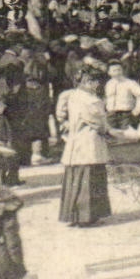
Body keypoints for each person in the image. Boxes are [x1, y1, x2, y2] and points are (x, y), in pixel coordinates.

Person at [56, 61, 112, 228]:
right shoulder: (89, 100)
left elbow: (62, 115)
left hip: (77, 141)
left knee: (76, 177)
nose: (94, 84)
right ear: (82, 82)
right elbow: (97, 121)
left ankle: (74, 214)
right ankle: (86, 216)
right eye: (90, 81)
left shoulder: (72, 96)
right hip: (88, 141)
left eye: (95, 81)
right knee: (89, 177)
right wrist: (108, 130)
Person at [101, 61, 140, 130]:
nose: (117, 72)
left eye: (119, 69)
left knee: (126, 134)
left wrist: (137, 110)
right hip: (111, 114)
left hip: (125, 115)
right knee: (111, 134)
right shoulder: (109, 84)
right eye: (114, 70)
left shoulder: (129, 83)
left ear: (122, 70)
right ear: (109, 72)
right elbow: (106, 98)